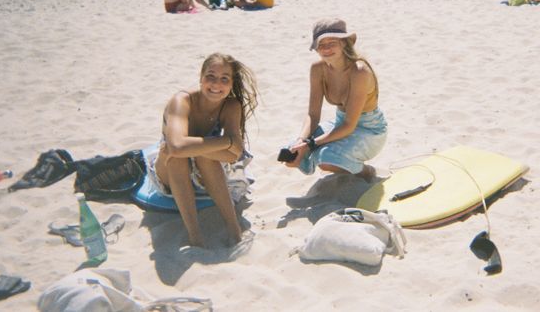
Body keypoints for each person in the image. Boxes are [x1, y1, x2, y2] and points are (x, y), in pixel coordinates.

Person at [153, 53, 259, 247]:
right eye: (210, 76)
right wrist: (226, 141)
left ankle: (234, 230)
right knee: (176, 157)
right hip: (170, 172)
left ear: (231, 83)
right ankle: (195, 236)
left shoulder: (231, 106)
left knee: (203, 155)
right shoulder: (182, 101)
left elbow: (234, 154)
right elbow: (176, 147)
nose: (216, 84)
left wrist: (191, 148)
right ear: (201, 78)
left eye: (224, 79)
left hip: (206, 173)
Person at [283, 18, 387, 180]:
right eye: (321, 44)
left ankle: (365, 171)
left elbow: (349, 125)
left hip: (369, 129)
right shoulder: (317, 69)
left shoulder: (359, 72)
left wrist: (311, 144)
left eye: (332, 42)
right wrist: (301, 141)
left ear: (344, 43)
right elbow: (313, 114)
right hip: (340, 123)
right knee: (291, 149)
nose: (326, 49)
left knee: (326, 158)